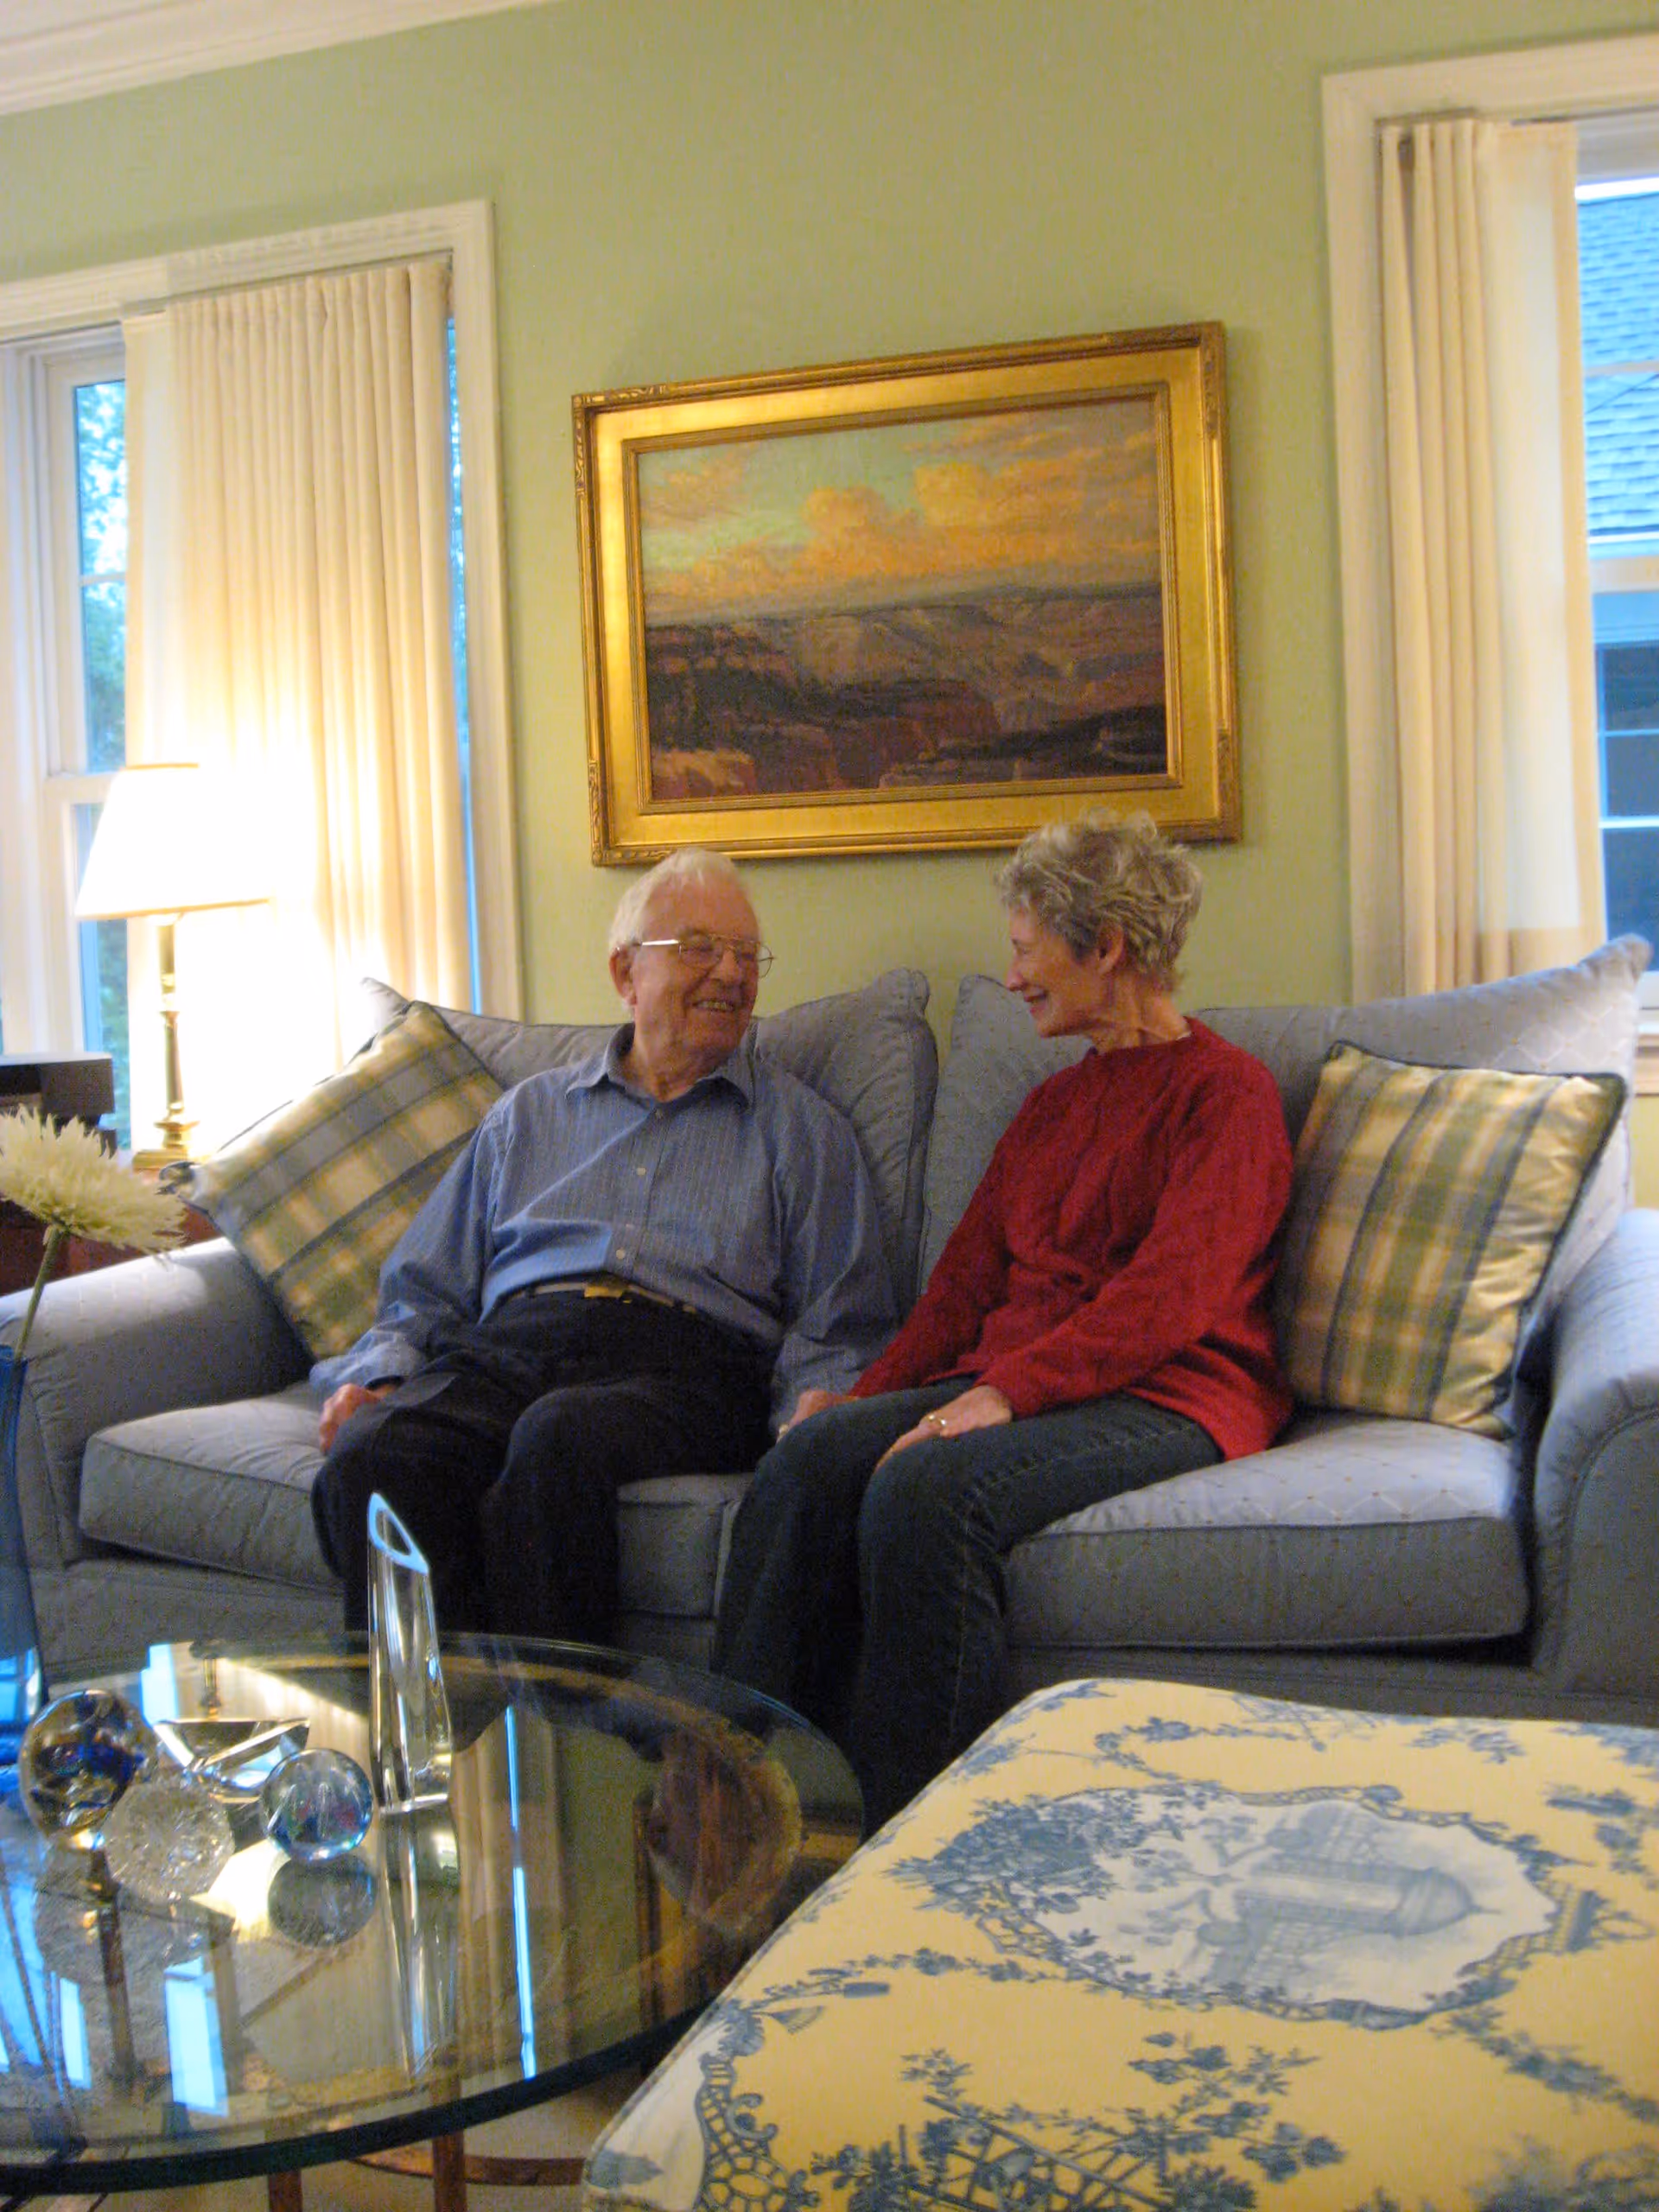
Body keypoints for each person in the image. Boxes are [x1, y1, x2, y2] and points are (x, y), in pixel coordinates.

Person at [713, 812, 1294, 1828]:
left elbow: (1169, 1299)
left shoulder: (1227, 1095)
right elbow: (960, 1292)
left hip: (1172, 1391)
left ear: (1105, 945)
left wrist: (1004, 1394)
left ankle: (912, 1838)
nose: (1014, 976)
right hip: (1027, 1381)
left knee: (924, 1491)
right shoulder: (1051, 1108)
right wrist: (862, 1399)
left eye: (1028, 950)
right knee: (805, 1462)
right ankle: (741, 1803)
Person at [310, 849, 897, 1641]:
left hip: (689, 1365)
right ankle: (440, 1716)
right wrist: (381, 1376)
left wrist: (810, 1417)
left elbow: (841, 1316)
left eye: (746, 954)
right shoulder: (527, 1116)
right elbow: (426, 1285)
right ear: (626, 973)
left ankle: (558, 1718)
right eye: (700, 948)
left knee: (558, 1437)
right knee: (375, 1453)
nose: (731, 973)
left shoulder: (800, 1131)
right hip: (513, 1344)